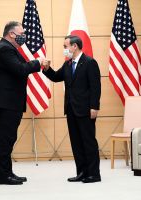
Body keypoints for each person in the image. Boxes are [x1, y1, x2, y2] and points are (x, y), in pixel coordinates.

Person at [0, 21, 47, 185]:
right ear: (11, 34)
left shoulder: (8, 48)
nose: (24, 36)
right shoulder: (5, 48)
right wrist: (37, 62)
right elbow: (20, 69)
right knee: (6, 139)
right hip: (6, 102)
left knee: (9, 138)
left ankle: (8, 172)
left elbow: (18, 69)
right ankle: (4, 176)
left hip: (10, 102)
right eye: (22, 33)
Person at [43, 35, 101, 183]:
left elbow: (95, 87)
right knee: (76, 143)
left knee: (88, 142)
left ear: (74, 46)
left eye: (65, 46)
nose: (64, 50)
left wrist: (94, 107)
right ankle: (82, 172)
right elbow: (56, 77)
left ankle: (94, 174)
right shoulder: (68, 64)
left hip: (86, 110)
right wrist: (47, 69)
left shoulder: (89, 62)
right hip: (71, 109)